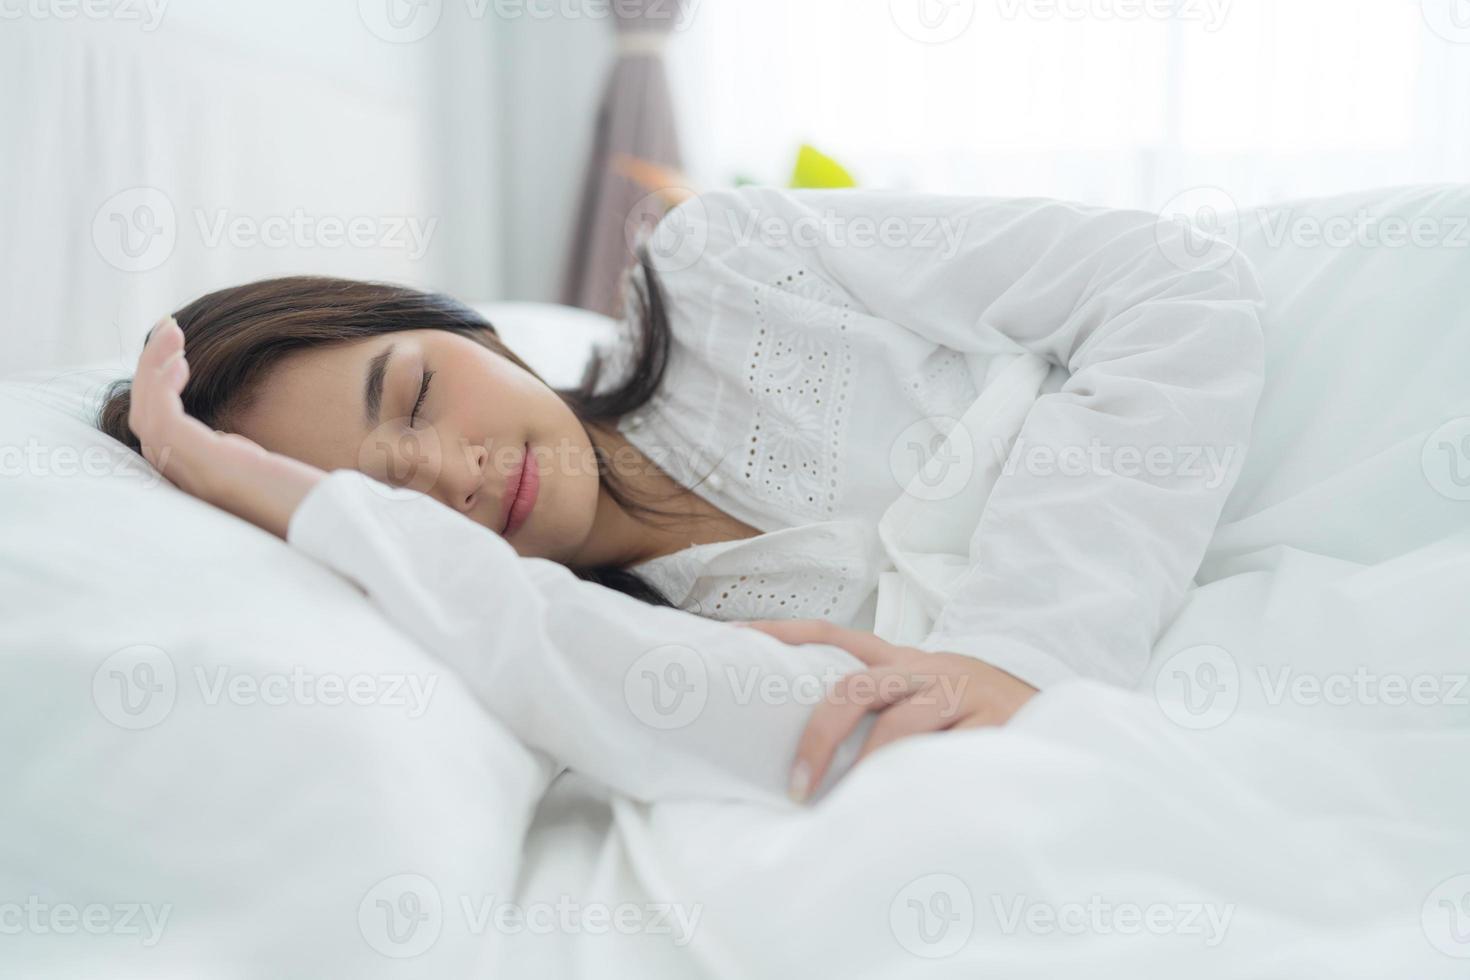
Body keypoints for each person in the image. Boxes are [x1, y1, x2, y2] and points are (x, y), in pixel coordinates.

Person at [99, 188, 1265, 803]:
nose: (450, 474)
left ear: (470, 326)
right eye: (385, 505)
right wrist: (241, 480)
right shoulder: (634, 658)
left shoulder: (727, 264)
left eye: (412, 397)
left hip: (1277, 430)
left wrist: (1021, 647)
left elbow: (1174, 281)